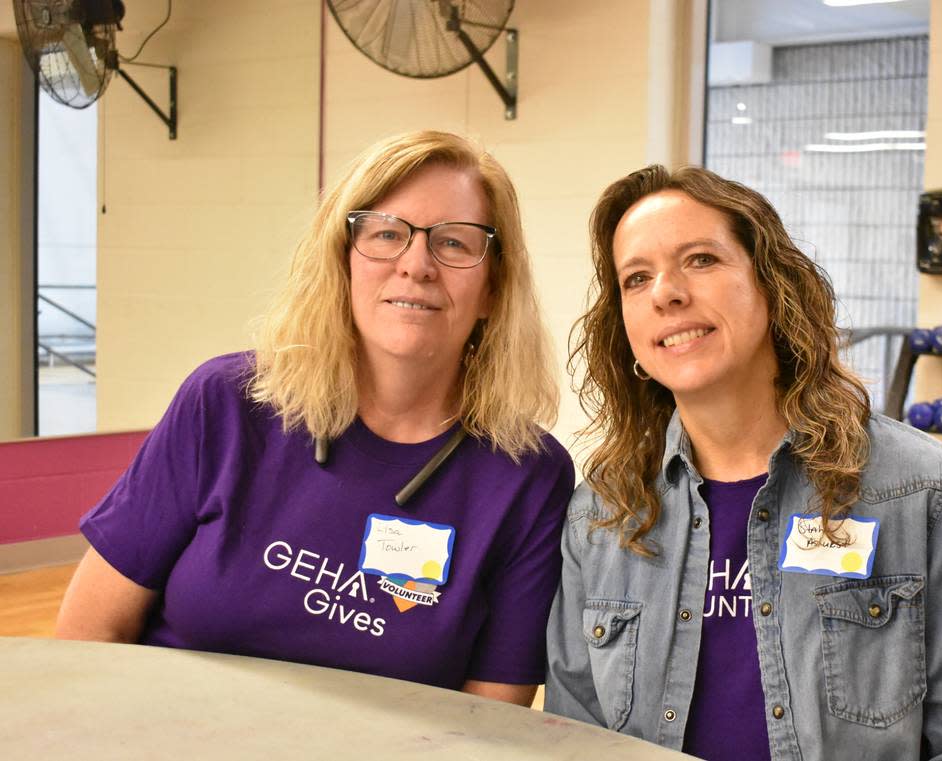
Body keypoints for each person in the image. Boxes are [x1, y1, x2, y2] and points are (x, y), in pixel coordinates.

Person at [544, 165, 942, 758]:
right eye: (636, 278)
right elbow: (572, 738)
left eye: (701, 259)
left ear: (771, 284)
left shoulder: (920, 491)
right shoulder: (604, 515)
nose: (666, 292)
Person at [55, 130, 574, 706]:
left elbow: (490, 724)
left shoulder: (527, 477)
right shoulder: (228, 404)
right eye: (386, 234)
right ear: (341, 261)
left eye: (454, 243)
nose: (416, 264)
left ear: (494, 286)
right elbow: (90, 637)